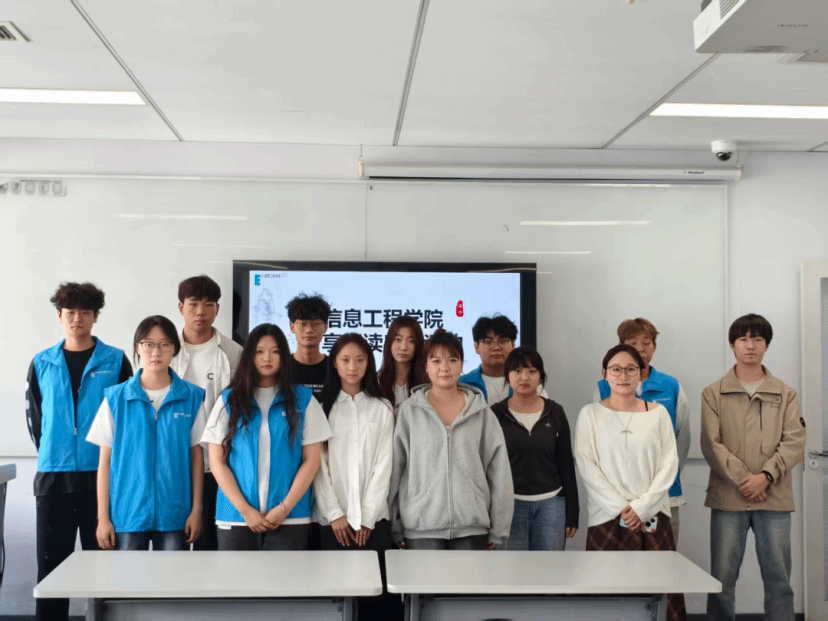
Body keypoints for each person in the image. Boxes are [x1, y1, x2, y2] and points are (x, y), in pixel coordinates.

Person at [25, 282, 132, 621]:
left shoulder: (116, 360)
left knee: (105, 571)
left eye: (85, 312)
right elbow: (35, 419)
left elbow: (126, 419)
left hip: (100, 479)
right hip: (54, 478)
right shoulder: (42, 362)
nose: (77, 319)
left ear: (96, 316)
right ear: (59, 315)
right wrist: (55, 450)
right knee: (51, 572)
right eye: (70, 312)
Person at [701, 314, 806, 621]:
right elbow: (711, 444)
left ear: (766, 345)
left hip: (773, 497)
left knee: (779, 579)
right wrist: (747, 481)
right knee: (721, 580)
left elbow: (794, 439)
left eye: (758, 339)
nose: (750, 345)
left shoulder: (785, 393)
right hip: (728, 498)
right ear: (732, 345)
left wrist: (766, 477)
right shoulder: (713, 393)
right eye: (743, 339)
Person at [576, 344, 684, 621]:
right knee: (607, 597)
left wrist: (641, 508)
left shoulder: (659, 413)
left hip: (652, 515)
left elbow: (669, 464)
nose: (623, 376)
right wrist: (623, 509)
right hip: (606, 516)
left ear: (641, 373)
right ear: (604, 374)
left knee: (658, 593)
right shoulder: (590, 414)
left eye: (630, 369)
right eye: (616, 369)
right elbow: (587, 466)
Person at [202, 323, 332, 550]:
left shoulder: (304, 400)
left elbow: (312, 461)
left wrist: (284, 508)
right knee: (236, 576)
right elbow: (216, 462)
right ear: (249, 356)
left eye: (275, 351)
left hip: (290, 518)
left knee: (284, 576)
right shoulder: (228, 401)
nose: (267, 358)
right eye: (259, 351)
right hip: (235, 517)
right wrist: (245, 511)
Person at [87, 315, 207, 551]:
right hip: (127, 515)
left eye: (165, 344)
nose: (156, 352)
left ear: (174, 349)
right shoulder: (115, 399)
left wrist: (196, 510)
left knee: (174, 575)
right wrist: (103, 518)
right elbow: (104, 463)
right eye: (148, 344)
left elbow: (197, 458)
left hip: (175, 515)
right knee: (129, 576)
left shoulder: (192, 398)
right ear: (137, 348)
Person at [389, 328, 513, 550]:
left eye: (452, 360)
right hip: (420, 528)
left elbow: (499, 472)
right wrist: (394, 524)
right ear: (426, 366)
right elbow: (395, 471)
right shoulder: (408, 412)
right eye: (436, 361)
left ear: (462, 364)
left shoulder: (481, 412)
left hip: (472, 527)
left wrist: (499, 528)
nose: (444, 368)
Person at [314, 333, 396, 620]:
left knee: (375, 602)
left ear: (368, 363)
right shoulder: (320, 407)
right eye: (346, 360)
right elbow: (318, 466)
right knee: (336, 600)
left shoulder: (382, 407)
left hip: (373, 524)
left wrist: (367, 517)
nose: (353, 367)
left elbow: (384, 466)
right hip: (333, 523)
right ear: (334, 364)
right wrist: (334, 513)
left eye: (360, 360)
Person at [594, 318, 690, 543]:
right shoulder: (604, 387)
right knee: (616, 558)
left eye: (647, 343)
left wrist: (665, 477)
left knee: (662, 558)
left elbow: (683, 438)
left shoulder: (671, 386)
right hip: (618, 497)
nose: (640, 348)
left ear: (654, 347)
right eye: (633, 343)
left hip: (664, 495)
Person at [171, 274, 243, 551]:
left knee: (210, 547)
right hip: (175, 462)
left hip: (217, 464)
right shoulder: (165, 350)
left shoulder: (233, 352)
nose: (200, 311)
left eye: (208, 304)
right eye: (193, 304)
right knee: (173, 544)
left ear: (217, 309)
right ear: (181, 307)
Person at [491, 346, 578, 551]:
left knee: (549, 569)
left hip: (552, 506)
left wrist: (572, 513)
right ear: (507, 375)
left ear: (540, 376)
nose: (525, 377)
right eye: (517, 370)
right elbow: (489, 469)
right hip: (510, 508)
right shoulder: (495, 414)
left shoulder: (555, 412)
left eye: (532, 371)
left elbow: (566, 464)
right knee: (512, 570)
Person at [286, 294, 331, 400]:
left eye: (315, 324)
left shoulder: (336, 369)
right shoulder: (281, 368)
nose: (309, 330)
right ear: (292, 327)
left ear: (325, 327)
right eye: (302, 324)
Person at [377, 316, 425, 408]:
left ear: (418, 345)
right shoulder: (376, 383)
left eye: (411, 341)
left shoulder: (425, 385)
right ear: (389, 342)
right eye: (398, 339)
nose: (403, 347)